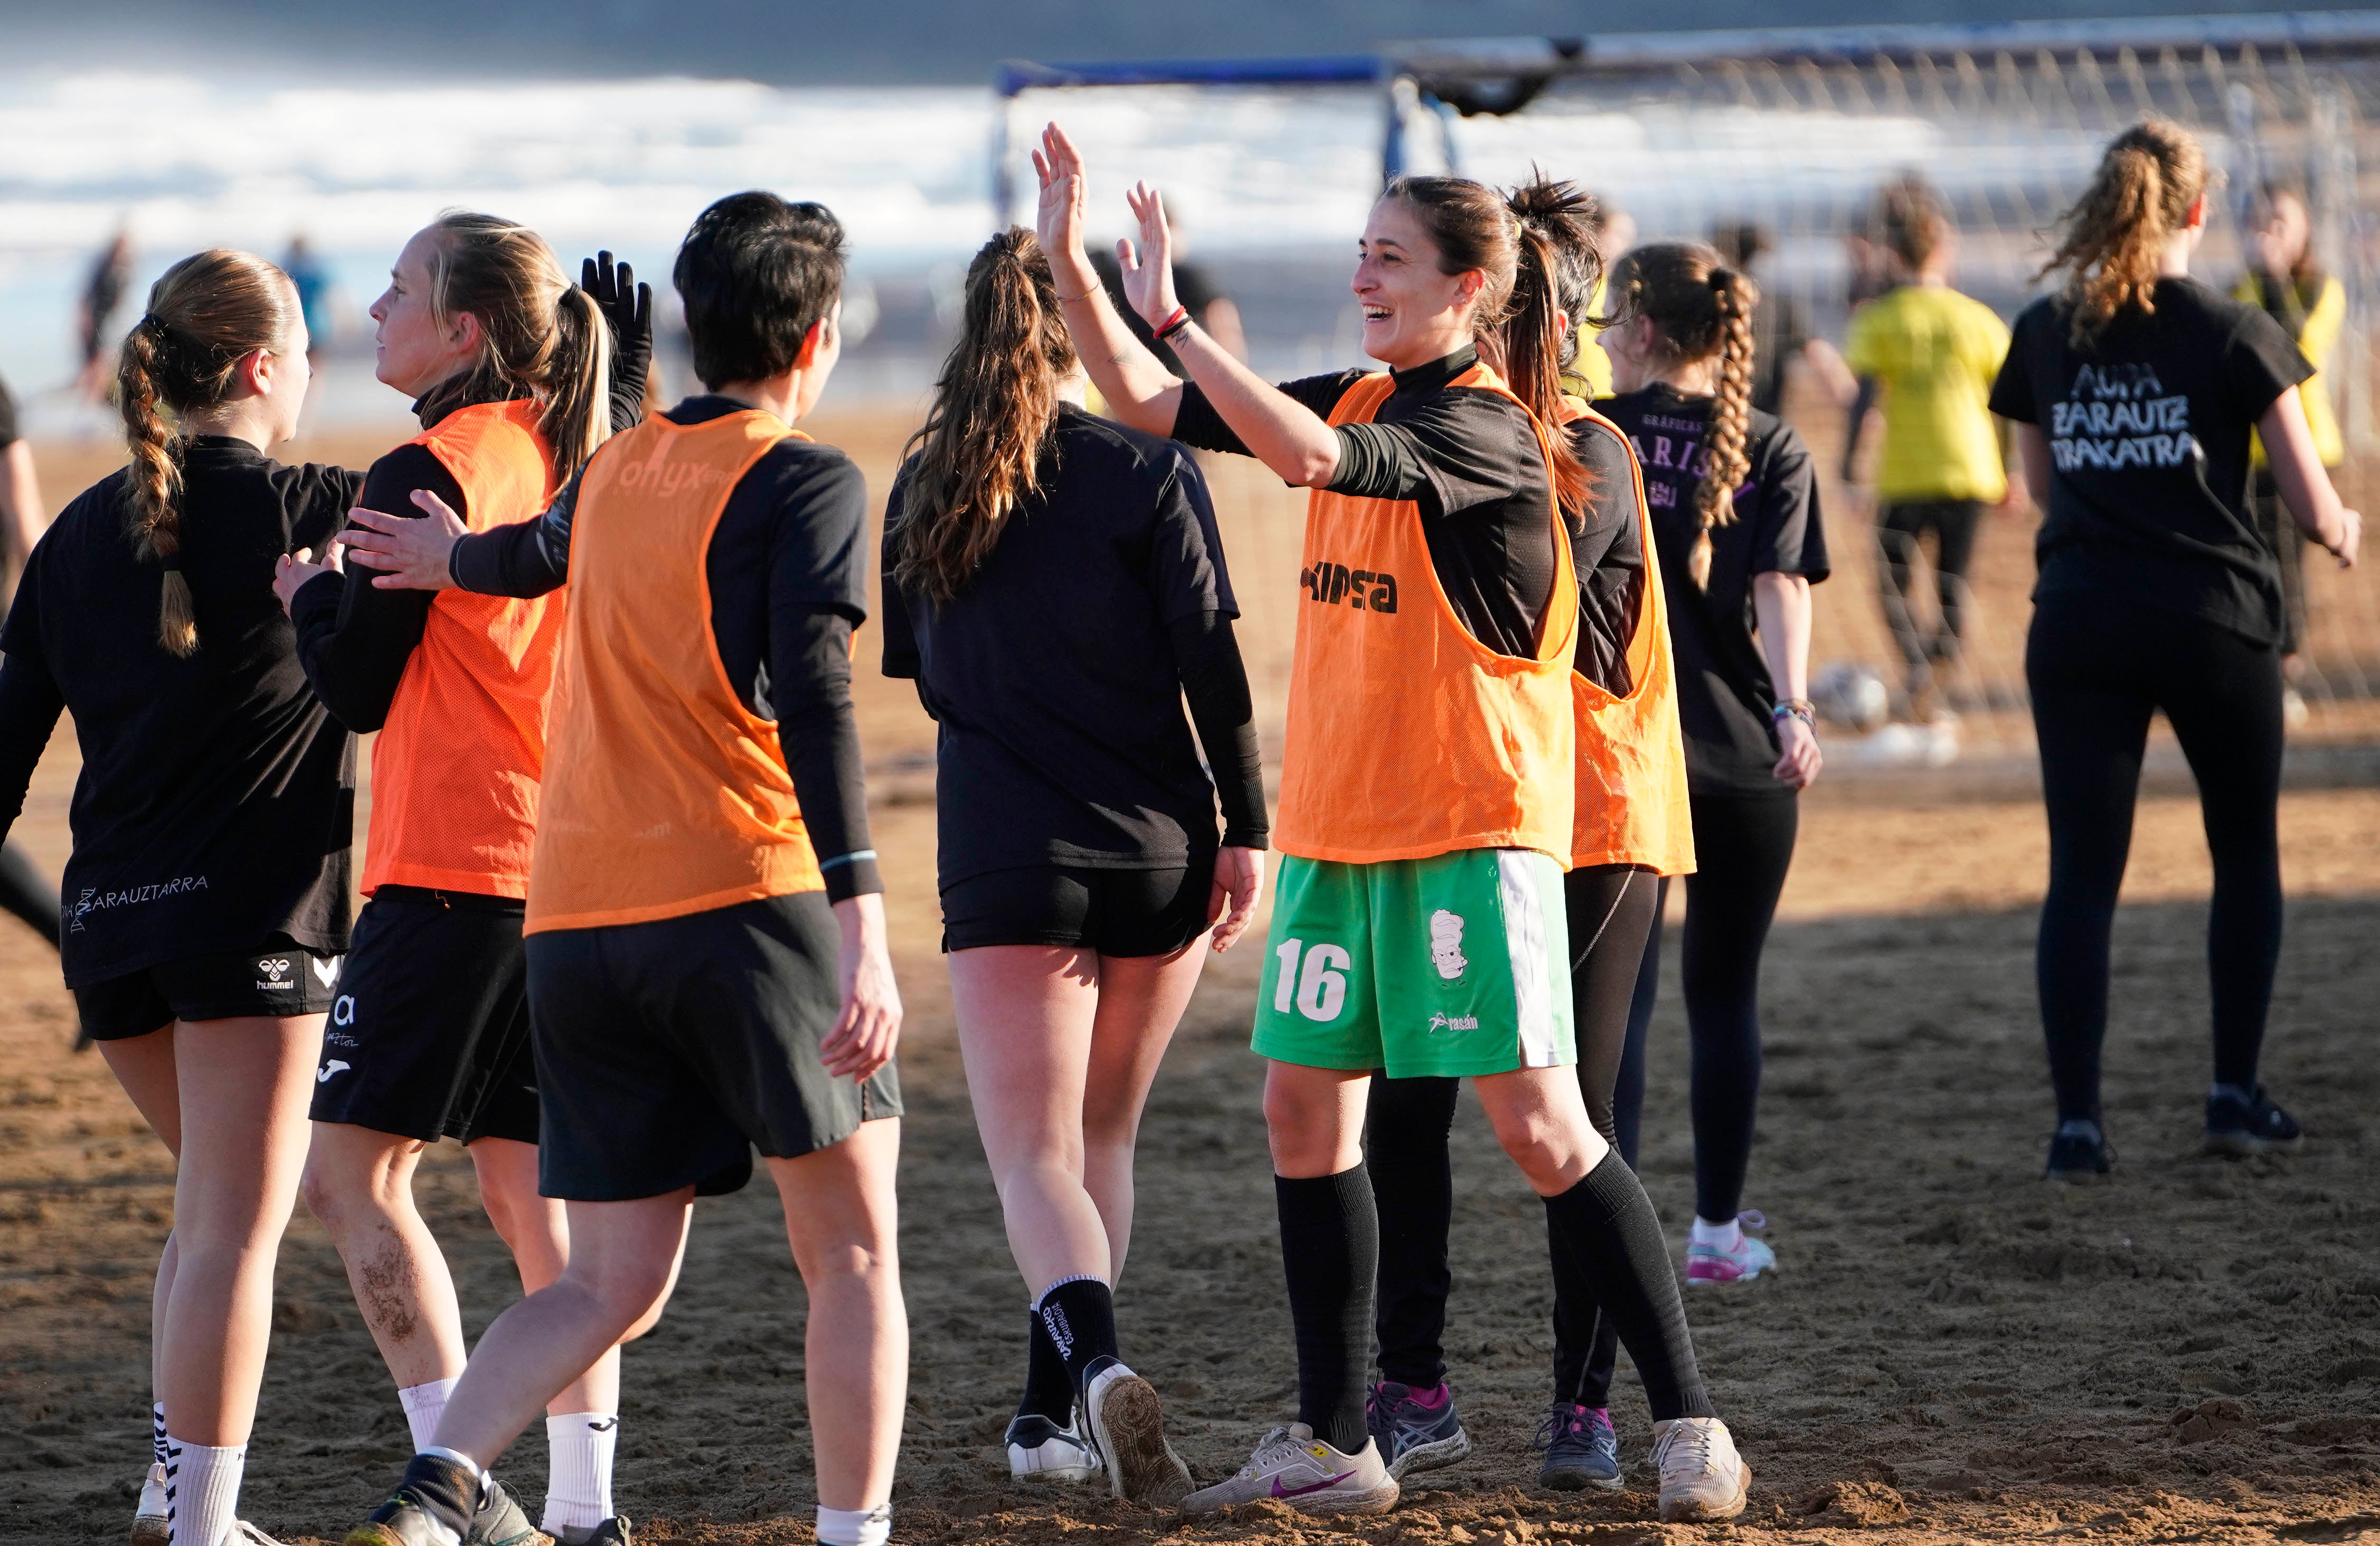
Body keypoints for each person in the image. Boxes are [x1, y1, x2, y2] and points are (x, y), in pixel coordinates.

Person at [1033, 122, 1751, 1524]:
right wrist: (1074, 258)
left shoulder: (1481, 427)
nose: (1365, 273)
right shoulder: (1365, 386)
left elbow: (1305, 458)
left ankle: (1689, 1422)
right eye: (1358, 251)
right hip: (1335, 839)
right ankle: (1333, 1439)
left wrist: (1179, 315)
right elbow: (1133, 399)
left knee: (1545, 1128)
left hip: (1467, 833)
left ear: (1469, 285)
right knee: (1302, 1117)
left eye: (1392, 256)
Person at [330, 191, 906, 1546]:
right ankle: (852, 1534)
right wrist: (866, 919)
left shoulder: (616, 467)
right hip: (741, 897)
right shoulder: (806, 476)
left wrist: (440, 555)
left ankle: (433, 1499)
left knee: (604, 1281)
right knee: (855, 1253)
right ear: (819, 337)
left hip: (579, 926)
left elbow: (531, 553)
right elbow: (814, 702)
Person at [268, 215, 645, 1545]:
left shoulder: (428, 461)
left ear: (465, 328)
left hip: (451, 869)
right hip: (569, 870)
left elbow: (359, 688)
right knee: (531, 1203)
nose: (374, 308)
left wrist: (305, 592)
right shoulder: (574, 448)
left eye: (401, 289)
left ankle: (452, 1479)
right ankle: (588, 1509)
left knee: (354, 1177)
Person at [880, 227, 1267, 1504]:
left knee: (1032, 1158)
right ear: (1089, 328)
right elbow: (1215, 673)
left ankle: (1092, 1373)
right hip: (1161, 844)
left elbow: (926, 678)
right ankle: (1050, 1417)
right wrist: (1247, 830)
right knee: (1103, 1136)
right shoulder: (1147, 469)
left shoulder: (925, 485)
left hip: (1007, 858)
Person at [0, 249, 356, 1546]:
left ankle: (173, 1496)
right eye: (309, 344)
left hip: (108, 937)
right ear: (263, 367)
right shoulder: (311, 504)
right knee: (229, 1229)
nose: (319, 365)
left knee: (204, 1213)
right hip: (247, 923)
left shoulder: (77, 538)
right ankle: (204, 1527)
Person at [1362, 176, 1702, 1496]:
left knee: (1580, 1115)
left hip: (1599, 815)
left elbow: (1520, 580)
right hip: (1475, 806)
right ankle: (1416, 1385)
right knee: (1406, 1093)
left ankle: (1586, 1405)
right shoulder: (1438, 418)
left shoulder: (1586, 451)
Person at [1988, 119, 2360, 1180]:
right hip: (2213, 620)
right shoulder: (2237, 331)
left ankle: (2077, 1129)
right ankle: (2232, 1095)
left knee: (2081, 878)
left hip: (2081, 620)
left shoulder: (2045, 329)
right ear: (2198, 211)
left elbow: (2045, 488)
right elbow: (2310, 502)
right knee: (2242, 853)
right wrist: (2343, 532)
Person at [1599, 242, 1829, 1286]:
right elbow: (1782, 589)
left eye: (1609, 320)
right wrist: (1791, 711)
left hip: (1615, 757)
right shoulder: (1770, 442)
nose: (1601, 336)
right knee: (1724, 998)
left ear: (1644, 332)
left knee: (1624, 1009)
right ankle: (1717, 1237)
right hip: (1738, 754)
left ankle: (1616, 1232)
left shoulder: (1587, 435)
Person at [1841, 177, 2015, 721]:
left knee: (1890, 580)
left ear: (1892, 255)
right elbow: (2006, 404)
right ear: (1945, 250)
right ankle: (1936, 670)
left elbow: (1863, 401)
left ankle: (1918, 666)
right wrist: (2009, 472)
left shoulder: (1877, 319)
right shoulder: (1979, 319)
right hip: (1970, 468)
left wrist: (1850, 469)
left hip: (1904, 471)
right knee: (1952, 580)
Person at [2233, 178, 2346, 710]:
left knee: (2285, 562)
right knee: (2252, 562)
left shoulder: (2321, 289)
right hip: (2247, 453)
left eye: (2280, 222)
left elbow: (2295, 353)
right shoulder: (2239, 288)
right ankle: (2259, 664)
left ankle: (2286, 669)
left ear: (2303, 230)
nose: (2268, 234)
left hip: (2306, 449)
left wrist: (2275, 279)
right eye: (2260, 221)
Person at [1710, 223, 1855, 420]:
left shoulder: (1709, 307)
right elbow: (1820, 354)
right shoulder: (1779, 306)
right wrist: (1853, 401)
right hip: (1765, 421)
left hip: (1714, 419)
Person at [80, 230, 136, 402]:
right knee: (96, 360)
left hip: (112, 318)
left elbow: (121, 299)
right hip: (99, 317)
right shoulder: (105, 266)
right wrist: (85, 318)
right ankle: (91, 398)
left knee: (103, 360)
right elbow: (90, 295)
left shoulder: (124, 267)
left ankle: (95, 398)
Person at [281, 236, 334, 359]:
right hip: (316, 324)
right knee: (315, 364)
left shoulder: (287, 271)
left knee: (296, 359)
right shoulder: (315, 270)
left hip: (294, 323)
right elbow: (328, 296)